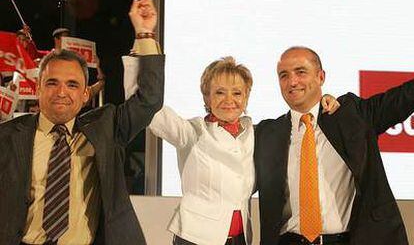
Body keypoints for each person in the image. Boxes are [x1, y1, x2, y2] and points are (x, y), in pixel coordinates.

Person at [0, 0, 164, 245]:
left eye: (73, 84)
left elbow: (149, 99)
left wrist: (144, 34)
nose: (62, 92)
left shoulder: (107, 127)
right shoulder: (7, 136)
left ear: (86, 93)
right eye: (52, 83)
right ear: (37, 88)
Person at [123, 55, 339, 245]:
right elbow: (144, 107)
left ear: (246, 98)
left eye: (237, 93)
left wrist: (323, 102)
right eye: (219, 92)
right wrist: (142, 48)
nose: (229, 101)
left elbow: (301, 119)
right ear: (207, 97)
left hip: (240, 239)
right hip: (196, 239)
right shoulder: (190, 132)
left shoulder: (255, 133)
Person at [254, 46, 411, 245]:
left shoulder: (352, 115)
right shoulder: (267, 133)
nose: (292, 82)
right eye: (283, 75)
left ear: (321, 77)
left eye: (301, 72)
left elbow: (404, 98)